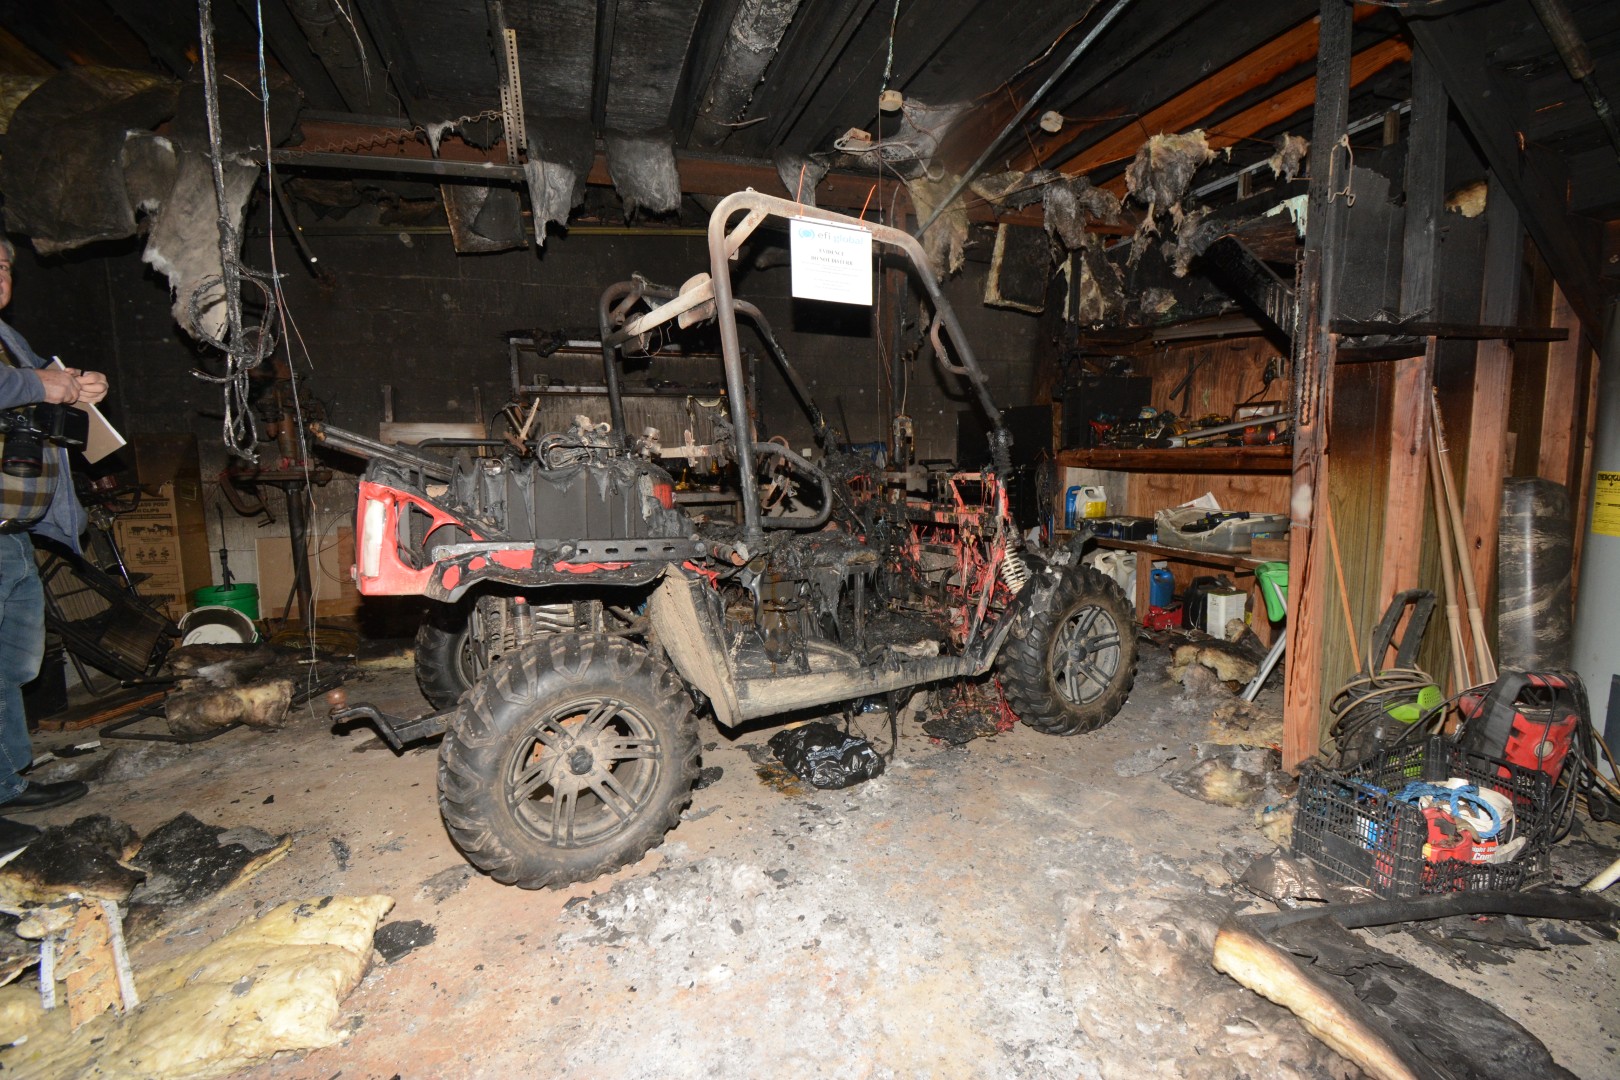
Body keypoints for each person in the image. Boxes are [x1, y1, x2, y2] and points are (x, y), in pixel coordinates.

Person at [0, 235, 109, 851]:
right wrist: (41, 385)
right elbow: (23, 387)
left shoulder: (11, 345)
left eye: (6, 265)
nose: (1, 275)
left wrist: (79, 385)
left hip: (13, 531)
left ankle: (7, 781)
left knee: (12, 664)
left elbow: (38, 387)